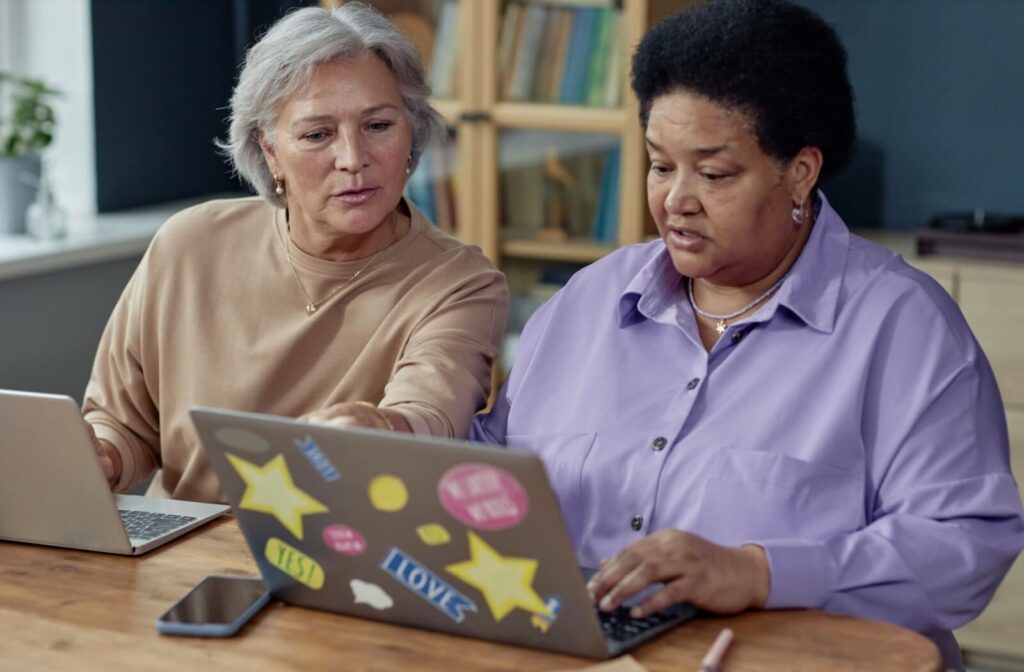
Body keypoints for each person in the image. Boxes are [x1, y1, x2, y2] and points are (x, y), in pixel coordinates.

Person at [470, 1, 1023, 668]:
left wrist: (759, 572)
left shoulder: (903, 327)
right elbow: (497, 469)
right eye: (659, 165)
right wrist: (403, 438)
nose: (676, 198)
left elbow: (964, 547)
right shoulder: (587, 301)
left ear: (801, 172)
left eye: (714, 173)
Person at [83, 3, 508, 503]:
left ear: (411, 132)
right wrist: (102, 456)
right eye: (316, 135)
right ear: (269, 151)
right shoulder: (189, 244)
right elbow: (121, 423)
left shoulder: (461, 282)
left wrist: (383, 426)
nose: (352, 159)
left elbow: (430, 420)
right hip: (177, 553)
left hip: (338, 561)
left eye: (378, 126)